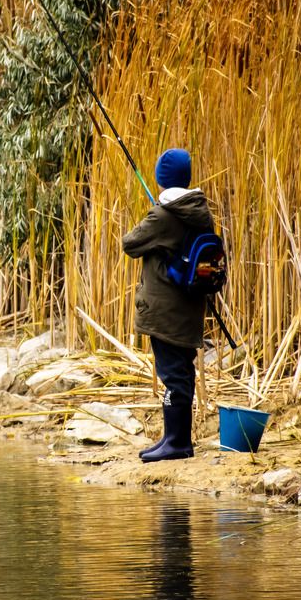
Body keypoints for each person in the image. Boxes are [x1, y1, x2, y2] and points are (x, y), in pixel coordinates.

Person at [122, 148, 214, 462]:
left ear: (162, 179)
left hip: (165, 311)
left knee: (172, 374)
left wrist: (156, 216)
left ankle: (177, 443)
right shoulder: (198, 211)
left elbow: (130, 243)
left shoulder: (162, 216)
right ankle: (173, 438)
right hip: (189, 308)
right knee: (181, 372)